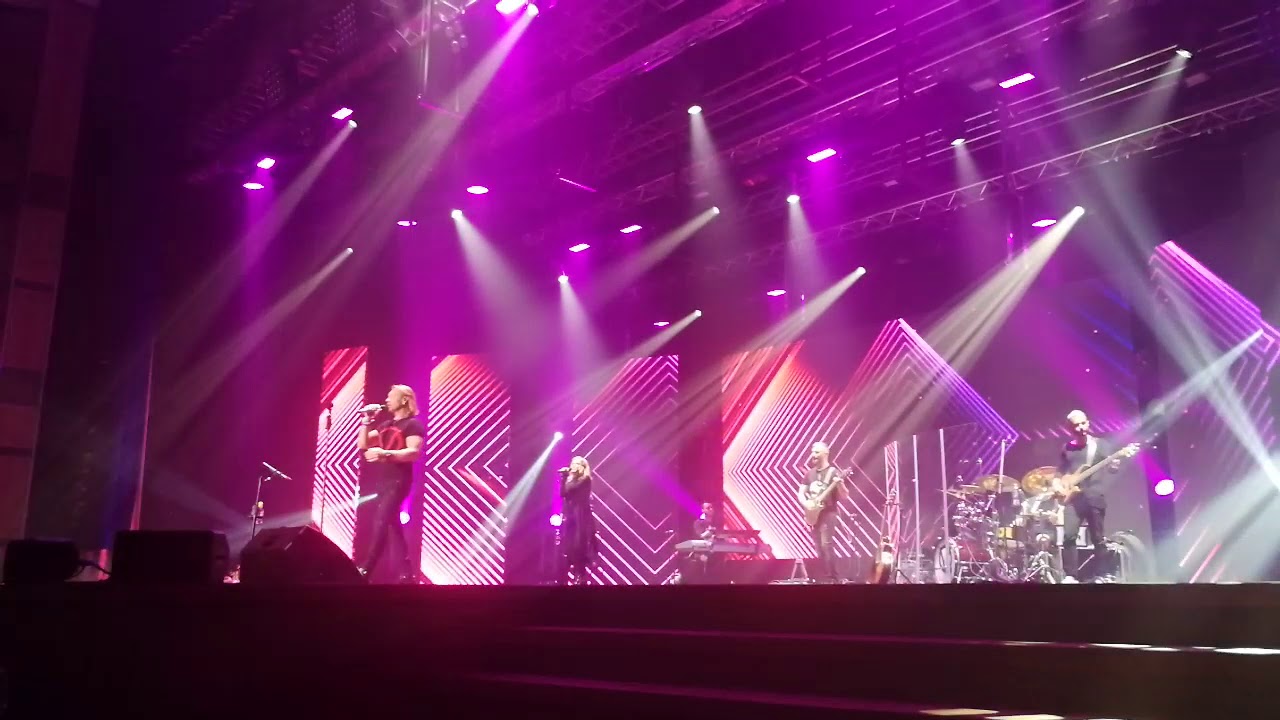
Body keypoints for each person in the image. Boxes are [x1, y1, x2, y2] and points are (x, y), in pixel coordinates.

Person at [1053, 409, 1137, 582]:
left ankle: (1103, 573)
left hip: (1094, 497)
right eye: (1076, 425)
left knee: (1097, 538)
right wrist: (1057, 484)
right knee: (1068, 536)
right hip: (1073, 499)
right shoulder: (1067, 448)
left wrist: (1115, 464)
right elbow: (1060, 471)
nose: (1081, 427)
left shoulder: (1100, 445)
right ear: (1070, 429)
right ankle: (1070, 576)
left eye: (1083, 423)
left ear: (1088, 423)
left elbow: (1112, 469)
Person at [356, 384, 424, 583]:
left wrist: (385, 454)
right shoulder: (386, 424)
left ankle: (367, 568)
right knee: (393, 525)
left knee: (381, 521)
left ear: (404, 400)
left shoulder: (412, 425)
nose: (386, 400)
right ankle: (406, 572)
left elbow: (413, 452)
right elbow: (363, 444)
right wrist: (367, 421)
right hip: (383, 481)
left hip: (399, 480)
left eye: (390, 396)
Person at [797, 441, 848, 582]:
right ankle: (824, 576)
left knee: (826, 544)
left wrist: (840, 484)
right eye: (812, 452)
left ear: (825, 453)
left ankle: (833, 577)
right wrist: (807, 504)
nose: (813, 455)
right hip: (814, 514)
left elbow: (844, 496)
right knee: (819, 547)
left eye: (816, 452)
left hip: (829, 513)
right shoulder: (809, 474)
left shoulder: (833, 472)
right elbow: (801, 493)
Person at [560, 455, 598, 585]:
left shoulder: (585, 479)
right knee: (569, 546)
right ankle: (574, 575)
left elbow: (572, 489)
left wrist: (568, 477)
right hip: (571, 516)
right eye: (572, 463)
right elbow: (563, 493)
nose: (573, 466)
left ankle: (581, 576)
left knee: (579, 545)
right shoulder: (570, 480)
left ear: (582, 467)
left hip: (581, 516)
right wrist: (564, 478)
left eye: (576, 464)